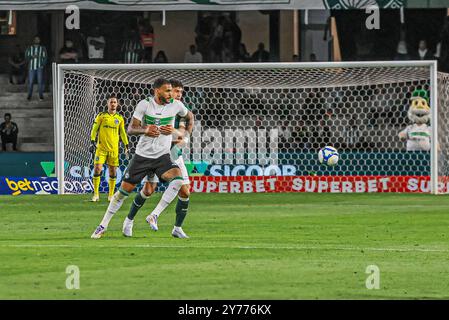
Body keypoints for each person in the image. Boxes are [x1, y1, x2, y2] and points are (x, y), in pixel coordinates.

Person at [91, 78, 193, 239]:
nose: (170, 94)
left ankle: (154, 215)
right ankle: (103, 225)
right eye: (167, 91)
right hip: (143, 157)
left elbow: (190, 117)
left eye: (172, 90)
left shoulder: (176, 105)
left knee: (179, 180)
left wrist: (184, 135)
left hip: (162, 156)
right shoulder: (144, 104)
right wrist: (145, 130)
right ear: (157, 90)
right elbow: (131, 128)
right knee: (123, 193)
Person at [122, 79, 194, 239]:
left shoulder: (178, 108)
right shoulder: (157, 107)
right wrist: (176, 133)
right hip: (154, 154)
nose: (178, 95)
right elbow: (170, 132)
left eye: (181, 92)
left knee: (185, 190)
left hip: (172, 154)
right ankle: (130, 220)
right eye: (176, 91)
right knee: (148, 190)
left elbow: (187, 123)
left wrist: (184, 135)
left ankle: (175, 227)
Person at [89, 95, 129, 202]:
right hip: (101, 148)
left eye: (114, 102)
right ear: (108, 104)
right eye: (111, 102)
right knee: (97, 169)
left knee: (112, 172)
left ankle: (111, 195)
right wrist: (92, 140)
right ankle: (96, 194)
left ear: (117, 104)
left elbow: (123, 133)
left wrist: (126, 145)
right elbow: (94, 129)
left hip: (114, 150)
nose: (113, 104)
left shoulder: (119, 118)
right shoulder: (101, 116)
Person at [25, 36, 47, 101]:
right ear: (33, 40)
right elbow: (26, 57)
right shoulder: (29, 48)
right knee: (31, 82)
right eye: (35, 39)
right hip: (31, 67)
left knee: (40, 81)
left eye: (38, 39)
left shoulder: (43, 48)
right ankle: (29, 95)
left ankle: (41, 96)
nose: (37, 40)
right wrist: (32, 57)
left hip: (39, 67)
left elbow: (45, 57)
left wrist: (42, 64)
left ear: (39, 40)